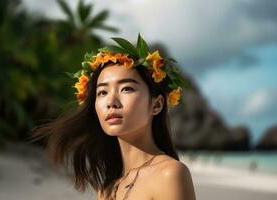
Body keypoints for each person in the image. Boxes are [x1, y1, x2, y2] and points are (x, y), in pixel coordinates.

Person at [30, 34, 196, 200]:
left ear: (157, 105)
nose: (111, 102)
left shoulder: (169, 174)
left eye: (126, 89)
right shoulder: (108, 189)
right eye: (102, 92)